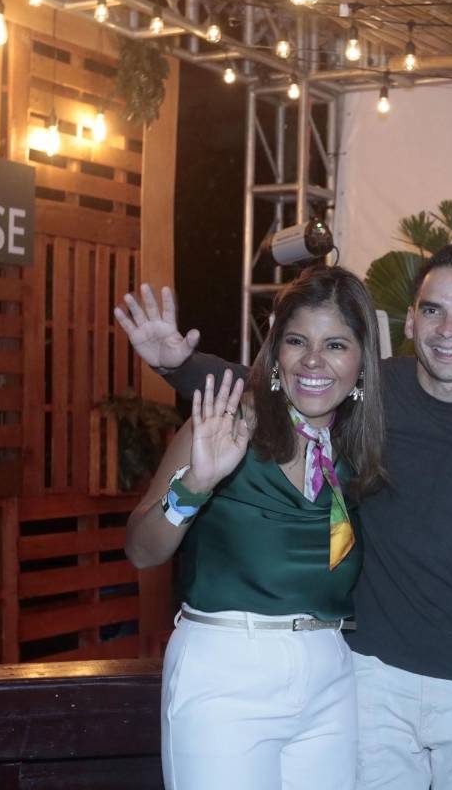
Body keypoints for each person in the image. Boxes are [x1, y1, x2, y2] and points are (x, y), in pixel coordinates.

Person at [117, 245, 452, 789]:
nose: (449, 328)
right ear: (409, 322)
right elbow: (272, 379)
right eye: (431, 310)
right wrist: (175, 365)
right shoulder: (355, 401)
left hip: (445, 682)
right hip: (361, 676)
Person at [119, 265, 386, 790]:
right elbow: (141, 551)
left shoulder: (356, 454)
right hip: (226, 671)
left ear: (361, 363)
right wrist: (194, 486)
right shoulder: (224, 427)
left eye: (336, 345)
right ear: (275, 354)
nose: (313, 360)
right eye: (296, 341)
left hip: (330, 672)